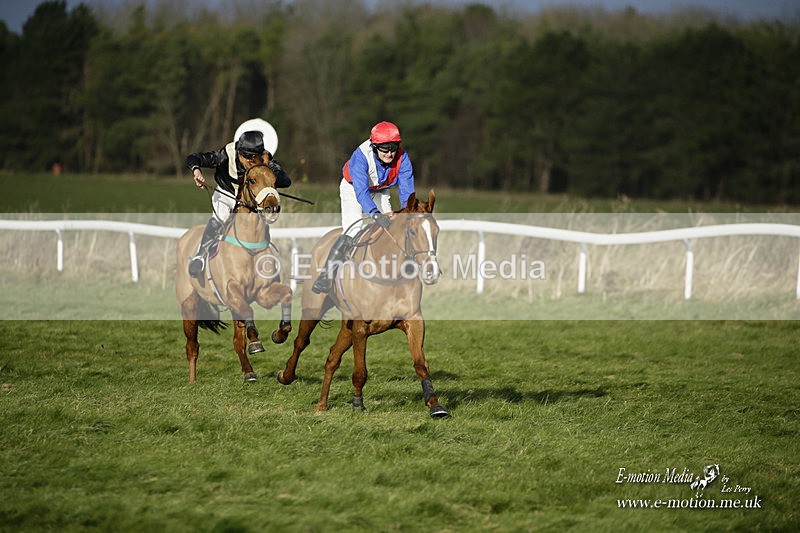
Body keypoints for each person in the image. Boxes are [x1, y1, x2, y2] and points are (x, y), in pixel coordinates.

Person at [311, 121, 415, 294]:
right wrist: (374, 214)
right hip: (354, 189)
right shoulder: (360, 156)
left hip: (380, 190)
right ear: (374, 147)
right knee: (353, 230)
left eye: (393, 148)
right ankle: (326, 276)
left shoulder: (403, 158)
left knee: (392, 228)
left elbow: (407, 192)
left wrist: (407, 212)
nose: (390, 153)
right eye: (385, 149)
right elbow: (361, 192)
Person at [185, 118, 292, 278]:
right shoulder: (225, 154)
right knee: (220, 218)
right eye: (245, 156)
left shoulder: (266, 159)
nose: (249, 160)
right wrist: (196, 171)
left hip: (250, 197)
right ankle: (200, 256)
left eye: (253, 156)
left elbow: (286, 181)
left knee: (261, 221)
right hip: (227, 192)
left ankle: (267, 259)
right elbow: (195, 157)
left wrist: (270, 175)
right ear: (238, 151)